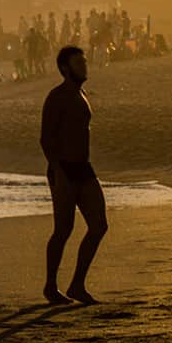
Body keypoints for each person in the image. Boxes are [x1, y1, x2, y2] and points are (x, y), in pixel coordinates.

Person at [39, 46, 107, 305]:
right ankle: (50, 286)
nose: (85, 66)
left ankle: (78, 284)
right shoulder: (57, 96)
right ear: (66, 68)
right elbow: (46, 138)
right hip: (63, 168)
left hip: (84, 167)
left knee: (99, 225)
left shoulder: (81, 93)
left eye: (84, 61)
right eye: (79, 62)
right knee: (63, 229)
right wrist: (57, 169)